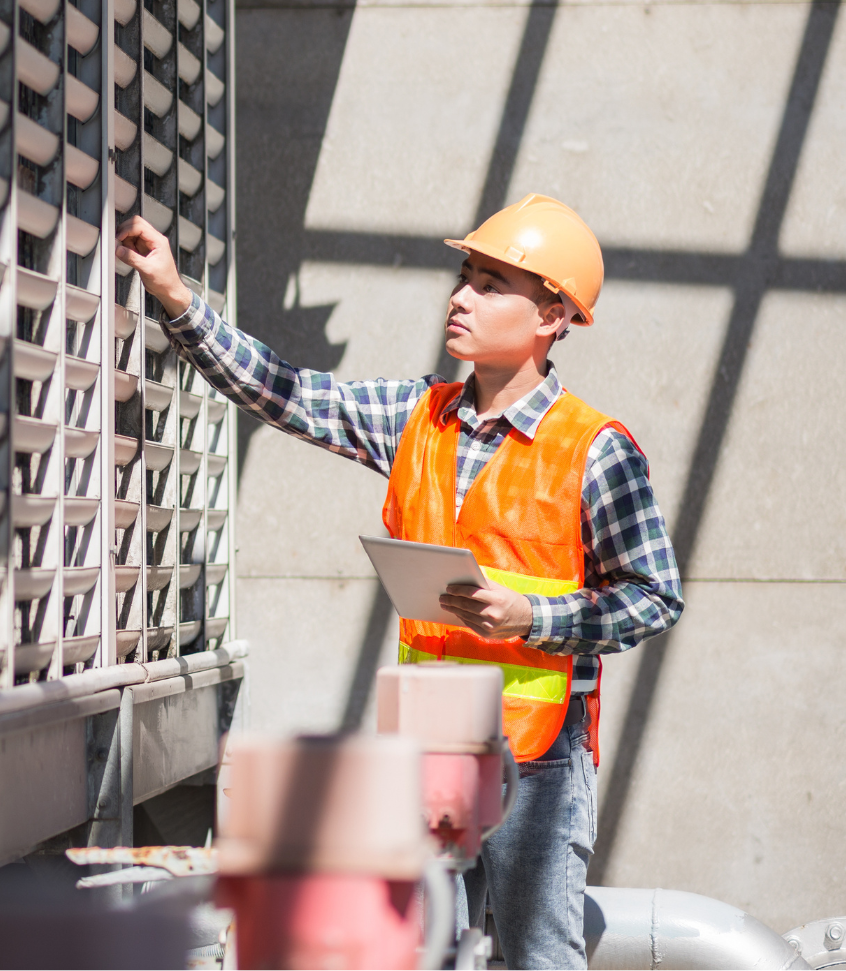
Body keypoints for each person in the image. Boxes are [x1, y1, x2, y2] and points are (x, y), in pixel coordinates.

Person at [118, 194, 683, 970]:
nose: (460, 297)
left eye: (491, 284)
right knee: (413, 955)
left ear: (553, 316)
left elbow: (653, 598)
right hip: (429, 746)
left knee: (540, 959)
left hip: (542, 755)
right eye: (465, 276)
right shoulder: (417, 415)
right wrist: (177, 299)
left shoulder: (595, 450)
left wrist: (533, 615)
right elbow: (283, 393)